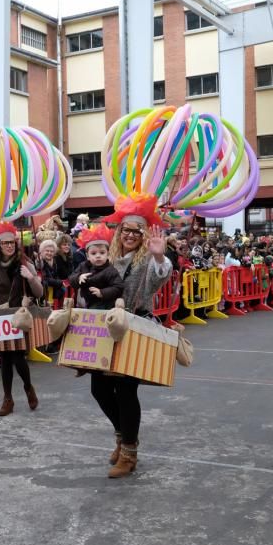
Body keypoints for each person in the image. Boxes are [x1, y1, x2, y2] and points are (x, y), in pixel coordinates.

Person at [93, 195, 173, 479]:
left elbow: (161, 275)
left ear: (143, 236)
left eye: (136, 232)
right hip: (105, 329)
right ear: (119, 232)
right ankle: (123, 435)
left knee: (126, 392)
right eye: (126, 230)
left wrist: (160, 254)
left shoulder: (148, 259)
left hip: (134, 328)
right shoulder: (108, 257)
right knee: (99, 389)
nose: (130, 235)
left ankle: (129, 452)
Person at [0, 223, 44, 416]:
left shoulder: (24, 263)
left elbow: (39, 292)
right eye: (5, 243)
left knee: (17, 356)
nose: (9, 246)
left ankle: (28, 387)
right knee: (5, 358)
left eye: (12, 242)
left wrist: (31, 278)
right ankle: (7, 398)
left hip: (18, 314)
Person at [68, 224, 123, 310]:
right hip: (83, 303)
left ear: (108, 254)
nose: (98, 256)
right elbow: (71, 278)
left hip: (104, 305)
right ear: (87, 256)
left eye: (102, 253)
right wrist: (78, 278)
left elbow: (119, 287)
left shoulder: (110, 270)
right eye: (93, 253)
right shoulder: (83, 266)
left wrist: (102, 293)